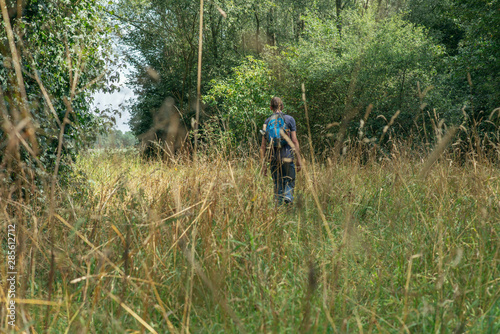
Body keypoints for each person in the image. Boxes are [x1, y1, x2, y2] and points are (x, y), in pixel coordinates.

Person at [260, 97, 302, 205]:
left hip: (273, 157)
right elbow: (295, 141)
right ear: (282, 106)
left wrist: (263, 165)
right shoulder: (289, 119)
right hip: (287, 155)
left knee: (277, 184)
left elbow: (263, 146)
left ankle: (278, 208)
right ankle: (288, 197)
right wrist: (299, 160)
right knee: (289, 180)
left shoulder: (267, 122)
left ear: (270, 108)